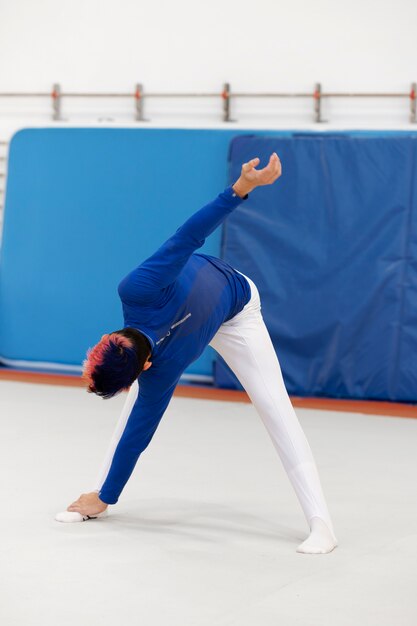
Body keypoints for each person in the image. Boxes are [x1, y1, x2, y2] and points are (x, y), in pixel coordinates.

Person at [59, 153, 337, 554]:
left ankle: (322, 525)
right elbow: (137, 436)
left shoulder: (139, 291)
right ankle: (100, 498)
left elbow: (187, 237)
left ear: (143, 367)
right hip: (198, 315)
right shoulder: (150, 357)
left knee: (276, 408)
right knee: (132, 419)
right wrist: (109, 496)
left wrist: (241, 189)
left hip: (239, 309)